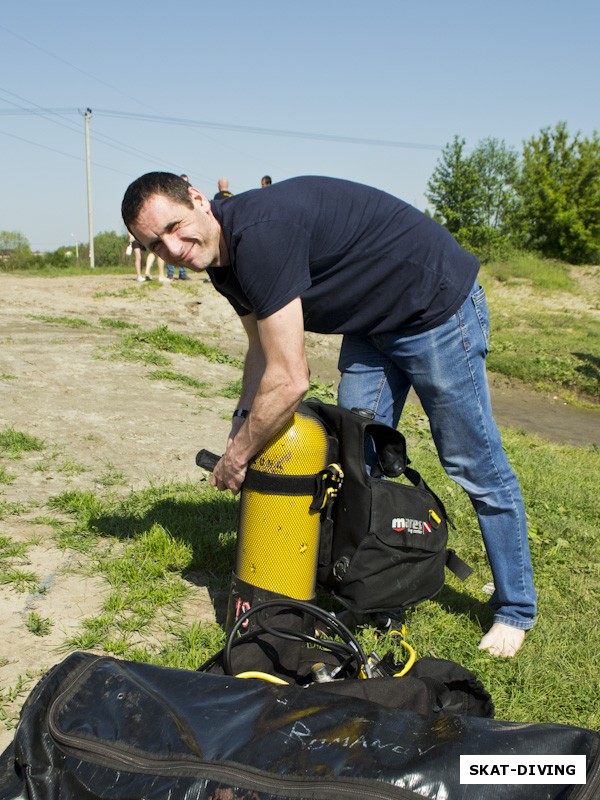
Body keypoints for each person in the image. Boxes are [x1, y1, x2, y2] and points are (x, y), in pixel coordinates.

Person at [122, 172, 536, 658]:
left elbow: (291, 377)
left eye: (174, 227)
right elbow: (259, 352)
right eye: (155, 244)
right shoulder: (220, 263)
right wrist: (240, 423)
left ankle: (515, 608)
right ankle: (378, 587)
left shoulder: (260, 236)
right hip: (369, 324)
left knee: (473, 463)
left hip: (433, 306)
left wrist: (238, 457)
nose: (172, 248)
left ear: (197, 199)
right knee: (354, 464)